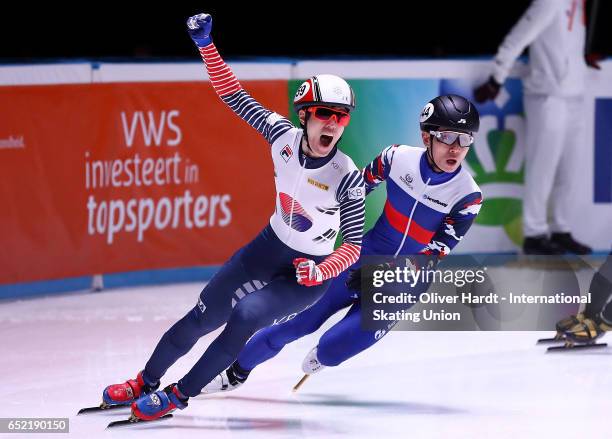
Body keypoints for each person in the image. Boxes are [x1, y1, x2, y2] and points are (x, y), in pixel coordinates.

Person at [100, 13, 366, 421]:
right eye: (324, 114)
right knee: (201, 314)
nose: (332, 123)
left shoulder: (346, 175)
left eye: (341, 116)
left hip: (308, 272)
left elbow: (353, 245)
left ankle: (178, 395)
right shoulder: (280, 135)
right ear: (304, 116)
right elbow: (233, 94)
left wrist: (322, 271)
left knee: (244, 317)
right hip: (267, 247)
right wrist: (206, 44)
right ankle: (145, 381)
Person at [201, 94, 484, 394]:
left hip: (403, 282)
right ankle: (235, 372)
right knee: (295, 324)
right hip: (362, 256)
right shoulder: (396, 158)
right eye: (448, 137)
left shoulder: (468, 196)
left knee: (333, 348)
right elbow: (352, 194)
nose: (456, 148)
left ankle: (326, 357)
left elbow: (434, 253)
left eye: (465, 140)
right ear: (426, 136)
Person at [474, 0, 597, 255]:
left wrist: (581, 62)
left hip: (575, 95)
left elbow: (565, 45)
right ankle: (534, 232)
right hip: (548, 96)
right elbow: (519, 36)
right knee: (543, 168)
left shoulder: (579, 4)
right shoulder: (550, 2)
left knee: (569, 170)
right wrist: (497, 77)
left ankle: (561, 228)